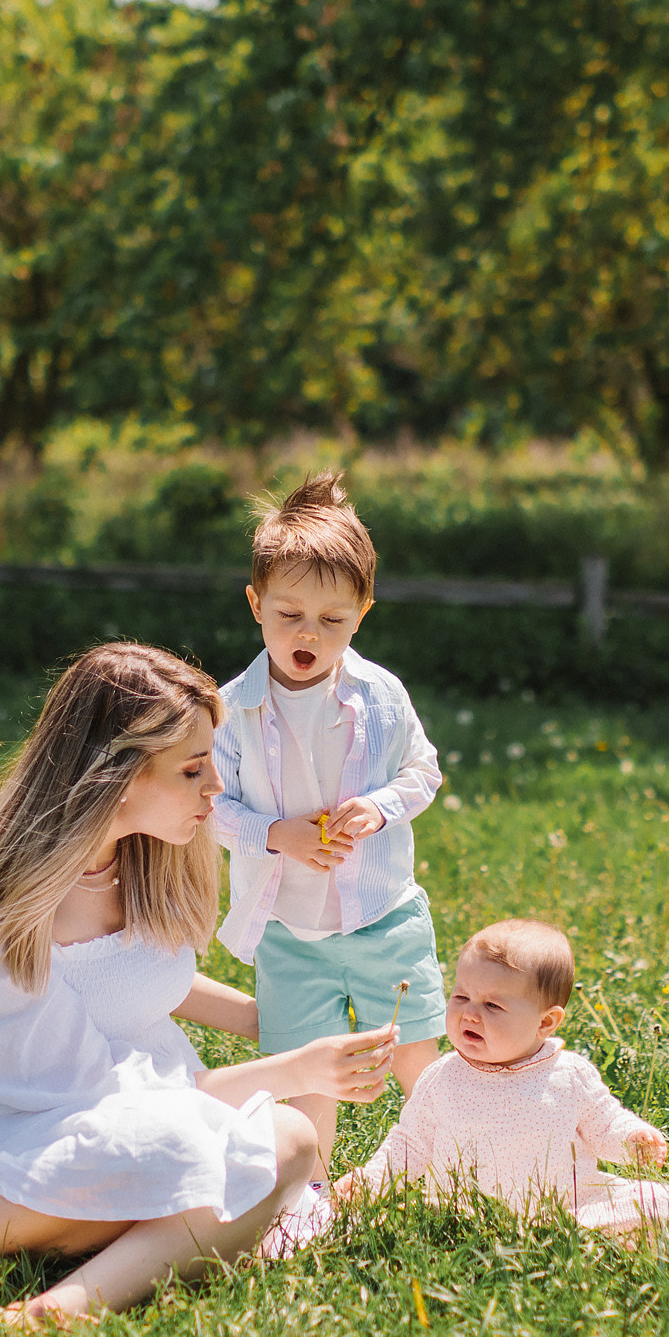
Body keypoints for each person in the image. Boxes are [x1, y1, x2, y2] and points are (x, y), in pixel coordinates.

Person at [0, 643, 396, 1328]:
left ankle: (46, 1315)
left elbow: (136, 979)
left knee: (290, 1139)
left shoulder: (141, 858)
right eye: (193, 769)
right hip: (35, 1139)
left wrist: (279, 1021)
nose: (216, 788)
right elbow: (93, 1099)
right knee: (198, 1153)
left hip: (154, 1108)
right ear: (115, 774)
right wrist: (294, 1065)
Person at [209, 472, 448, 1158]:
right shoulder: (233, 708)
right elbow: (209, 806)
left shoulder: (380, 694)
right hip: (290, 930)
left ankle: (462, 1161)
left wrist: (378, 807)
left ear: (362, 612)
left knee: (416, 1064)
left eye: (332, 620)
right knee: (308, 1081)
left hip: (384, 916)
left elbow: (422, 771)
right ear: (256, 604)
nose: (308, 633)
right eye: (289, 614)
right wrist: (272, 833)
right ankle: (309, 1193)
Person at [339, 919, 669, 1234]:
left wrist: (632, 1140)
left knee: (648, 1199)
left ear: (545, 1023)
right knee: (435, 1226)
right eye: (461, 996)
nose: (469, 1014)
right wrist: (371, 1182)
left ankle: (601, 1227)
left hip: (565, 1204)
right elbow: (411, 1143)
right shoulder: (442, 1078)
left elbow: (603, 1125)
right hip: (463, 1214)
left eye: (492, 1006)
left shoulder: (569, 1074)